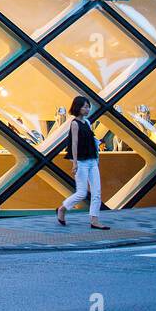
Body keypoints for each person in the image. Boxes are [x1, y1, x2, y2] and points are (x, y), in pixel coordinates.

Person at [56, 96, 109, 230]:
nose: (87, 109)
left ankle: (94, 220)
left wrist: (97, 159)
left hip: (92, 160)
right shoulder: (74, 123)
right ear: (77, 107)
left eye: (88, 106)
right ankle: (62, 208)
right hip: (81, 162)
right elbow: (74, 143)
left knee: (97, 192)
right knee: (82, 193)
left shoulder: (87, 122)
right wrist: (74, 163)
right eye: (84, 106)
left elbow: (93, 142)